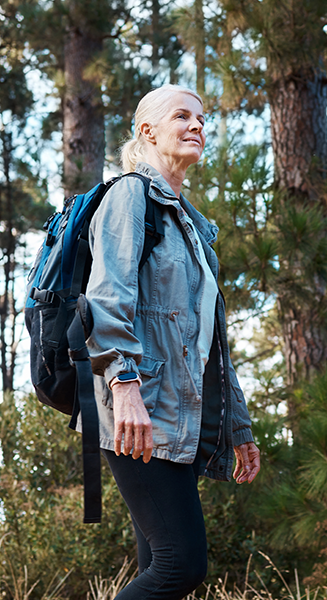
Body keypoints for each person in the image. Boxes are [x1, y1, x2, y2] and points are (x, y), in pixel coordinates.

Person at [83, 84, 261, 599]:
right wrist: (125, 387)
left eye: (202, 119)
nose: (196, 126)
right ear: (147, 131)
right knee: (180, 566)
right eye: (181, 116)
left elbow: (210, 345)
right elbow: (107, 300)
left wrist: (237, 426)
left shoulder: (192, 228)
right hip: (140, 410)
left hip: (169, 413)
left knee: (158, 564)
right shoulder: (129, 196)